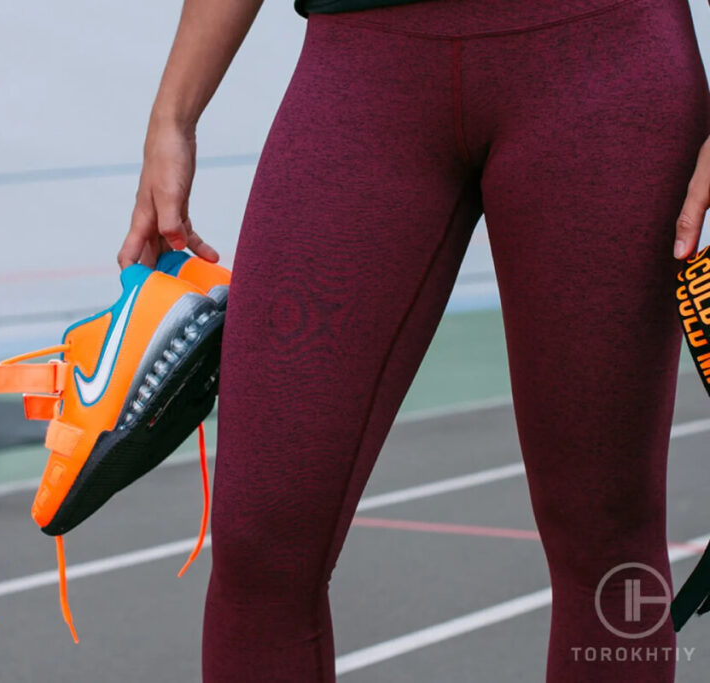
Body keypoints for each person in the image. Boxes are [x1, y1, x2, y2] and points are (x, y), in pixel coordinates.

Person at [117, 0, 710, 680]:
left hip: (602, 54)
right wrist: (173, 114)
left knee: (608, 539)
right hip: (362, 59)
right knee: (261, 545)